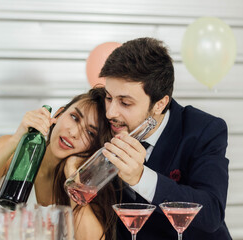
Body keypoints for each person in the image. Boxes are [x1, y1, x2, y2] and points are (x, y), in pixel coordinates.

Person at [98, 37, 232, 239]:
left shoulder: (204, 130)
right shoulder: (103, 123)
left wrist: (140, 178)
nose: (110, 112)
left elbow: (211, 213)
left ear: (160, 104)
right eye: (108, 97)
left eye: (125, 103)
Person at [0, 88, 117, 240]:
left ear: (96, 147)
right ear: (58, 115)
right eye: (74, 117)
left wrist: (72, 173)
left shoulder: (83, 188)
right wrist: (15, 141)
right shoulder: (14, 152)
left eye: (90, 133)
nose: (73, 133)